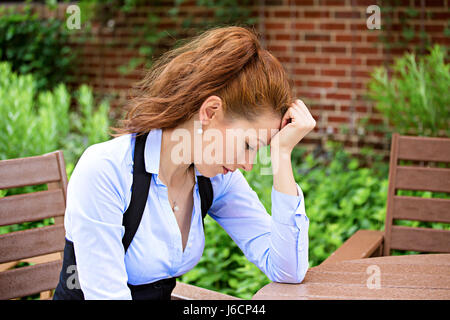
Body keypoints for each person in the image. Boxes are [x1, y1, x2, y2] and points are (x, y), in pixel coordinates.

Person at [53, 25, 316, 300]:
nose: (248, 164)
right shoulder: (106, 171)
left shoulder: (215, 178)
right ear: (210, 112)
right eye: (248, 145)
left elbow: (287, 270)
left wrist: (282, 156)